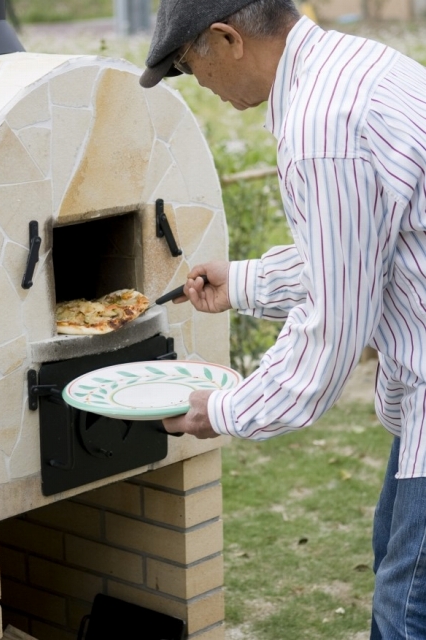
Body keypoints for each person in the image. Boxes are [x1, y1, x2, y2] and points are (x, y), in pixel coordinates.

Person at [140, 1, 426, 638]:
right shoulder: (359, 68)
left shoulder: (322, 131)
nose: (203, 87)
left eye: (190, 67)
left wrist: (222, 409)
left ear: (226, 38)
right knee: (396, 570)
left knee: (406, 615)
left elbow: (333, 327)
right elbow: (361, 251)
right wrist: (241, 281)